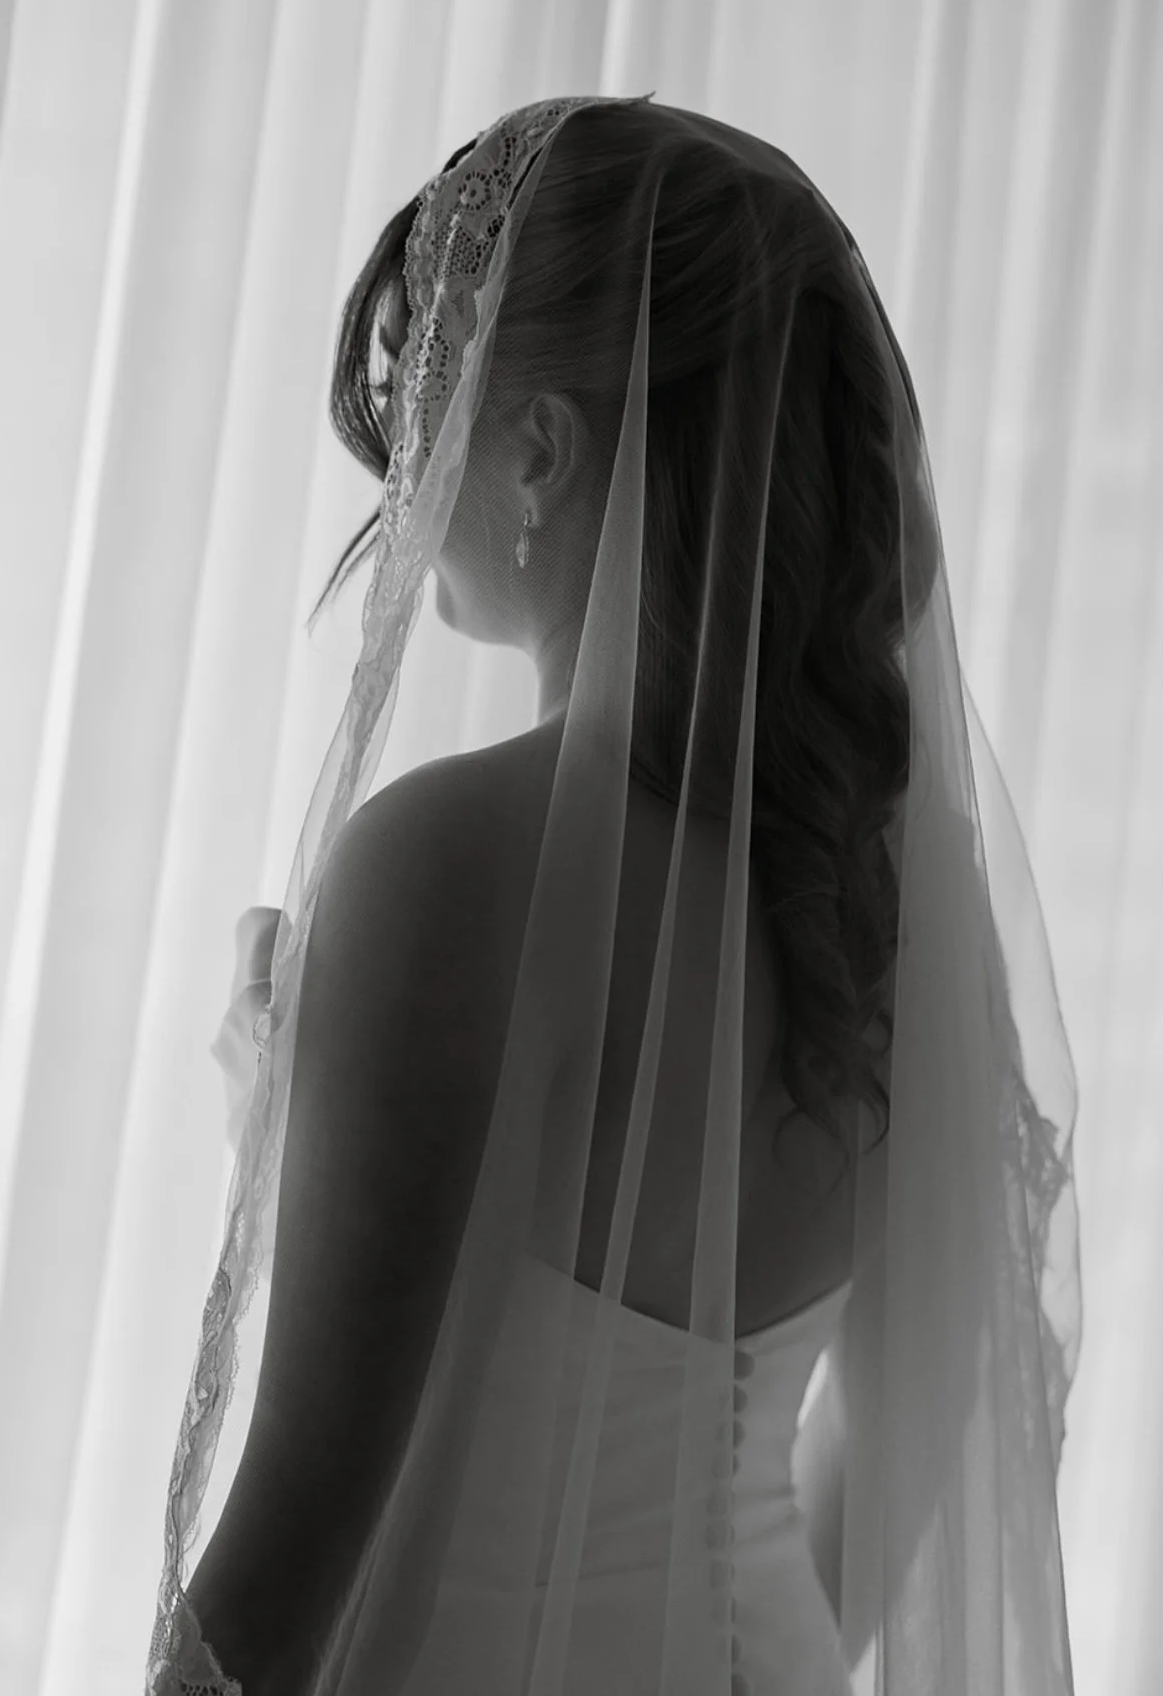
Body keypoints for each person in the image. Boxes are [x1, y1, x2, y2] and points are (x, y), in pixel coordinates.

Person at [148, 95, 1082, 1694]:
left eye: (427, 407)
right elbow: (936, 1414)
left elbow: (278, 1581)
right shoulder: (888, 890)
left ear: (537, 448)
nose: (399, 479)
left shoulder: (446, 867)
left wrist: (281, 1138)